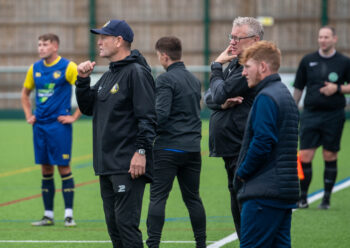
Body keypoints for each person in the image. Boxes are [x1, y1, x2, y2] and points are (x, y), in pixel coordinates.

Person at [75, 20, 156, 247]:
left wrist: (141, 151)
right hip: (107, 164)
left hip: (127, 164)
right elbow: (88, 108)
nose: (99, 42)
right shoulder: (110, 74)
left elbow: (148, 117)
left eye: (104, 37)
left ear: (119, 41)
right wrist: (82, 82)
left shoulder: (137, 73)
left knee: (126, 226)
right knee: (114, 227)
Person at [234, 41, 300, 247]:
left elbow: (263, 142)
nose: (243, 72)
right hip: (282, 190)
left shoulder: (266, 97)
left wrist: (242, 172)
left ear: (263, 67)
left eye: (247, 66)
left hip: (264, 194)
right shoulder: (284, 94)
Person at [204, 16, 263, 238]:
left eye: (238, 38)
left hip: (243, 145)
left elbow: (217, 92)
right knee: (236, 197)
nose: (232, 42)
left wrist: (216, 66)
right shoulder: (236, 65)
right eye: (231, 37)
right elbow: (210, 97)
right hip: (231, 147)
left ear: (255, 39)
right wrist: (221, 101)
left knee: (245, 199)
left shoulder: (250, 66)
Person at [146, 36, 206, 248]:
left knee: (158, 198)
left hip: (168, 148)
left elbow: (161, 114)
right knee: (193, 199)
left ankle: (153, 244)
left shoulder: (165, 79)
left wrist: (146, 131)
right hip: (192, 148)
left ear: (164, 55)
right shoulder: (193, 79)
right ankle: (201, 244)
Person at [21, 33, 81, 227]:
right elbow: (25, 93)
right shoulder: (34, 69)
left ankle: (69, 215)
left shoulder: (68, 67)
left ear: (55, 47)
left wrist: (74, 116)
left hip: (59, 126)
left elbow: (85, 90)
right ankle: (48, 215)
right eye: (39, 44)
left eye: (45, 44)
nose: (40, 48)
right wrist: (29, 114)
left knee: (63, 167)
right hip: (40, 126)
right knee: (46, 168)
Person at [293, 26, 350, 209]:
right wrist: (292, 109)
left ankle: (326, 199)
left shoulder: (344, 61)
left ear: (335, 39)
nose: (323, 40)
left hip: (334, 115)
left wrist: (338, 89)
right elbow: (299, 87)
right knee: (305, 155)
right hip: (310, 114)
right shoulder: (308, 60)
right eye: (320, 37)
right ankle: (302, 198)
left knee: (329, 154)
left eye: (326, 37)